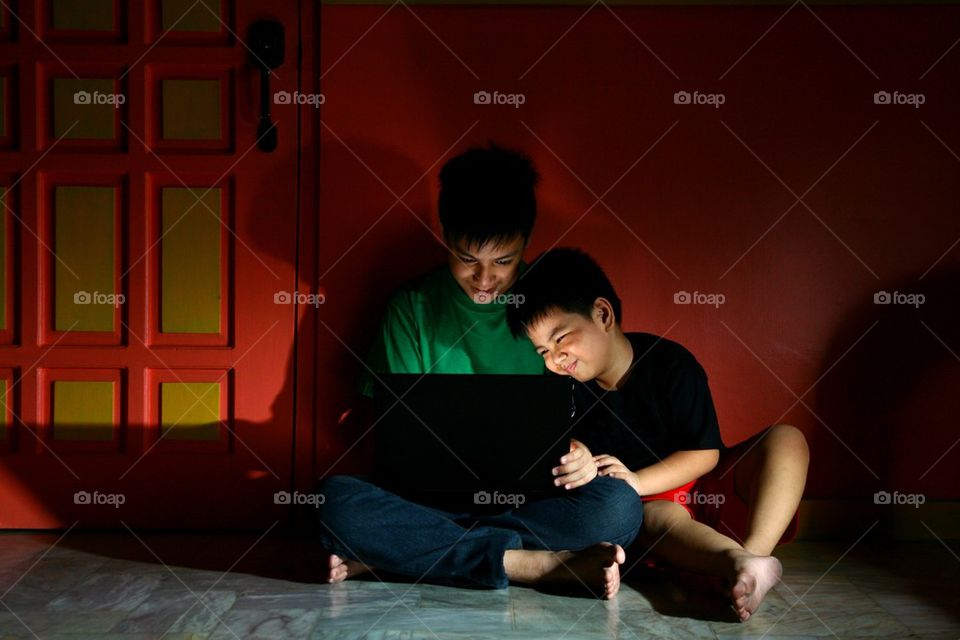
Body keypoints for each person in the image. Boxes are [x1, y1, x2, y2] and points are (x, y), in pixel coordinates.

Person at [316, 144, 643, 598]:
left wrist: (580, 455)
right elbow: (395, 433)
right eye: (468, 260)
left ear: (526, 244)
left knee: (620, 507)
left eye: (504, 262)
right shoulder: (410, 308)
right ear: (445, 236)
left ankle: (407, 556)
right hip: (428, 502)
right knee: (332, 502)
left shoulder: (549, 313)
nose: (485, 280)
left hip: (526, 502)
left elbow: (572, 418)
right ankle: (527, 564)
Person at [506, 247, 810, 621]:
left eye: (562, 338)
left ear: (602, 314)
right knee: (653, 516)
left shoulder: (670, 364)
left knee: (787, 439)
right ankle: (734, 564)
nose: (555, 359)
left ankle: (754, 556)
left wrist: (636, 479)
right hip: (656, 513)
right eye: (543, 352)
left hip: (704, 482)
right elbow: (562, 446)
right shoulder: (564, 389)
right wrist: (581, 456)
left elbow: (706, 454)